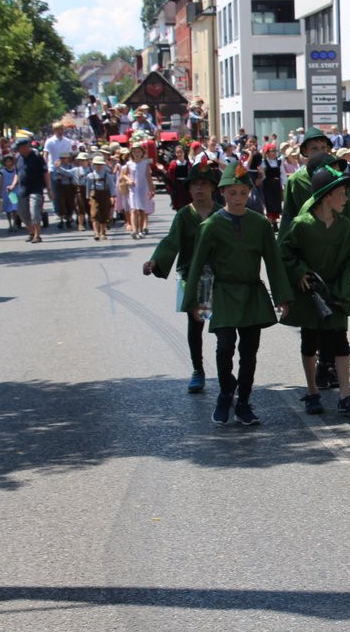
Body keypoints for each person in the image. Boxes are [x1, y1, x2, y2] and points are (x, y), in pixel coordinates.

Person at [183, 161, 293, 426]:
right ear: (222, 193)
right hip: (223, 293)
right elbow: (197, 264)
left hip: (252, 293)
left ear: (249, 193)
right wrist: (194, 302)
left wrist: (282, 297)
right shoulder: (210, 225)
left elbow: (273, 262)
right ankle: (225, 393)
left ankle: (243, 401)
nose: (238, 198)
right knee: (224, 347)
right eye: (232, 193)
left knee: (249, 351)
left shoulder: (260, 224)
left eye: (243, 192)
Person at [279, 165, 350, 416]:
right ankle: (312, 392)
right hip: (310, 294)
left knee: (340, 341)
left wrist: (343, 294)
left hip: (336, 293)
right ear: (326, 195)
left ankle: (345, 395)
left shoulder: (344, 226)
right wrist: (299, 272)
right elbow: (285, 253)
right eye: (341, 192)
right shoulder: (301, 224)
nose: (346, 197)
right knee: (309, 341)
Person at [143, 159, 220, 393]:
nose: (199, 188)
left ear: (213, 188)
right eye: (195, 184)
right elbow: (171, 241)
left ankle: (225, 372)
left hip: (220, 276)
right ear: (188, 189)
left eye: (204, 184)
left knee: (224, 325)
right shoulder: (184, 215)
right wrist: (155, 260)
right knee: (195, 322)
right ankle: (198, 370)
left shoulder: (222, 213)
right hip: (192, 276)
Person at [9, 137, 49, 243]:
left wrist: (49, 189)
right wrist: (13, 185)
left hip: (36, 189)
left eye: (19, 148)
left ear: (25, 147)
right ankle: (31, 232)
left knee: (34, 212)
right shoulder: (18, 157)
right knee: (22, 213)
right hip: (22, 189)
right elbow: (17, 173)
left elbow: (45, 172)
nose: (17, 150)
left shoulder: (37, 156)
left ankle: (38, 235)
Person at [124, 142, 154, 239]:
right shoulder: (129, 164)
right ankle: (134, 230)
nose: (136, 153)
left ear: (142, 153)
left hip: (142, 188)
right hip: (133, 189)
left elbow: (149, 178)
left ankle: (140, 230)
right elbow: (124, 175)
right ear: (131, 153)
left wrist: (151, 189)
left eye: (138, 151)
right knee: (133, 209)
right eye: (134, 152)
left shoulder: (145, 164)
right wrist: (129, 180)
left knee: (141, 210)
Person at [84, 154, 115, 241]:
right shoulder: (90, 176)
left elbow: (112, 186)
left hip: (105, 194)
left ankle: (103, 232)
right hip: (94, 195)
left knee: (104, 213)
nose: (98, 166)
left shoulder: (107, 175)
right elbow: (88, 187)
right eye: (96, 164)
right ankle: (96, 232)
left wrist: (113, 196)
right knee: (94, 214)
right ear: (93, 165)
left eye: (100, 164)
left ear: (103, 165)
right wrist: (88, 198)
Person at [257, 142, 285, 230]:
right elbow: (262, 174)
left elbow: (282, 174)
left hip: (276, 185)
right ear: (267, 152)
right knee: (269, 203)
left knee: (277, 203)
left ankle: (275, 222)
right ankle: (271, 222)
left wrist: (283, 184)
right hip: (268, 185)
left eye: (274, 151)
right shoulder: (264, 163)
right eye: (272, 151)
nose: (274, 153)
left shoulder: (279, 162)